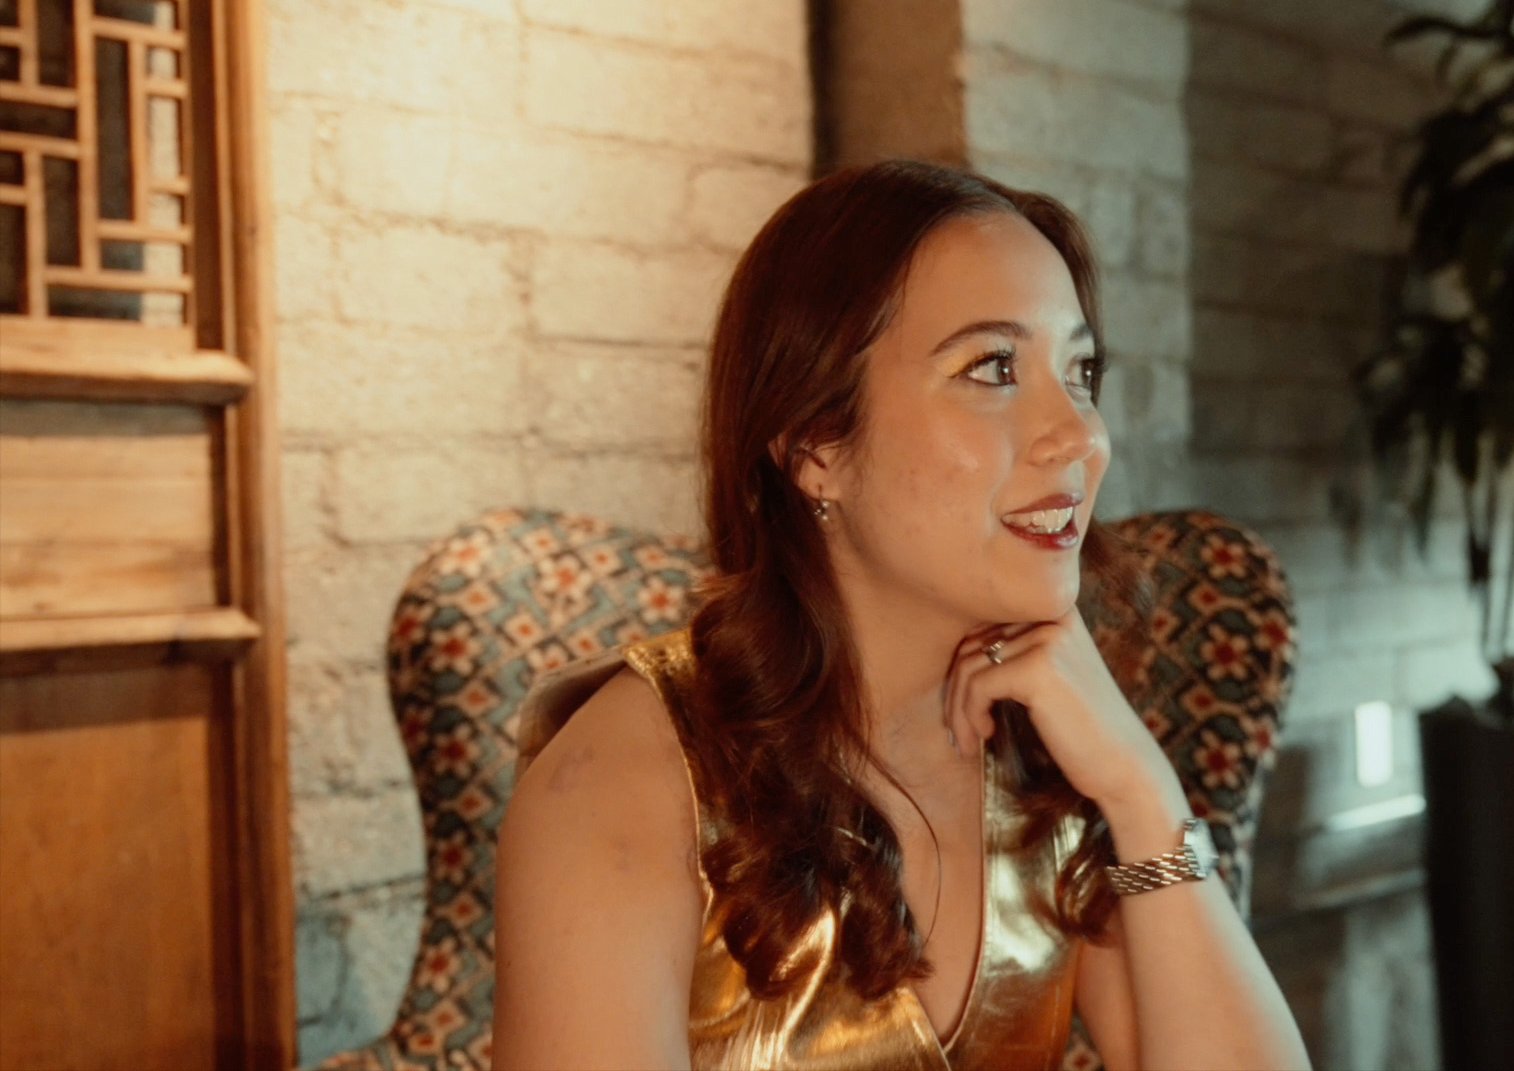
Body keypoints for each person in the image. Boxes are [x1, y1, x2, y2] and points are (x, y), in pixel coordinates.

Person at [492, 160, 1311, 1071]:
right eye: (994, 367)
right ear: (816, 446)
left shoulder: (1046, 751)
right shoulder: (627, 780)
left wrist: (1142, 793)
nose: (1081, 434)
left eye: (1080, 370)